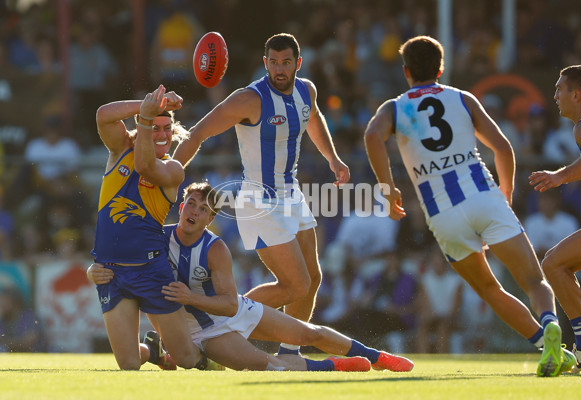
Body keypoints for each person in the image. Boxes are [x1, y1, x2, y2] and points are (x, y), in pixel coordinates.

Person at [363, 35, 574, 377]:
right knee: (534, 280)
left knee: (490, 289)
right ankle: (550, 322)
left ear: (406, 72)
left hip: (442, 214)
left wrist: (388, 190)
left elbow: (372, 135)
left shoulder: (395, 107)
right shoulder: (462, 98)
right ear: (441, 68)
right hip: (483, 198)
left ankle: (544, 345)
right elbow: (503, 149)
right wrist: (504, 194)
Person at [88, 181, 414, 372]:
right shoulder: (157, 237)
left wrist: (190, 298)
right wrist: (94, 271)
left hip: (236, 309)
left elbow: (231, 305)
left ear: (210, 218)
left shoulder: (215, 249)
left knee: (308, 333)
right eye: (190, 204)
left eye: (202, 210)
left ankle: (381, 358)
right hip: (204, 332)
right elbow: (119, 261)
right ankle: (337, 366)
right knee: (273, 367)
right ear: (181, 206)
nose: (194, 212)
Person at [173, 33, 350, 355]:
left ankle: (289, 353)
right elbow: (197, 133)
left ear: (298, 63)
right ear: (264, 62)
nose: (279, 69)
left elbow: (314, 118)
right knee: (294, 285)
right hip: (259, 199)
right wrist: (171, 172)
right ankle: (216, 318)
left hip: (291, 194)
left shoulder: (306, 90)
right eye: (273, 62)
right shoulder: (248, 99)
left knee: (312, 278)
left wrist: (332, 158)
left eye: (285, 63)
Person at [90, 85, 206, 370]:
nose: (163, 134)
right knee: (128, 364)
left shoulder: (173, 169)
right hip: (111, 272)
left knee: (187, 360)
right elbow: (103, 115)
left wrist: (146, 116)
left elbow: (144, 166)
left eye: (167, 128)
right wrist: (150, 104)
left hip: (151, 270)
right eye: (155, 127)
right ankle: (153, 352)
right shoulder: (121, 149)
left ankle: (210, 357)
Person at [529, 64, 581, 373]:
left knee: (553, 263)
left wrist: (559, 176)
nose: (555, 95)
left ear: (576, 94)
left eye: (559, 89)